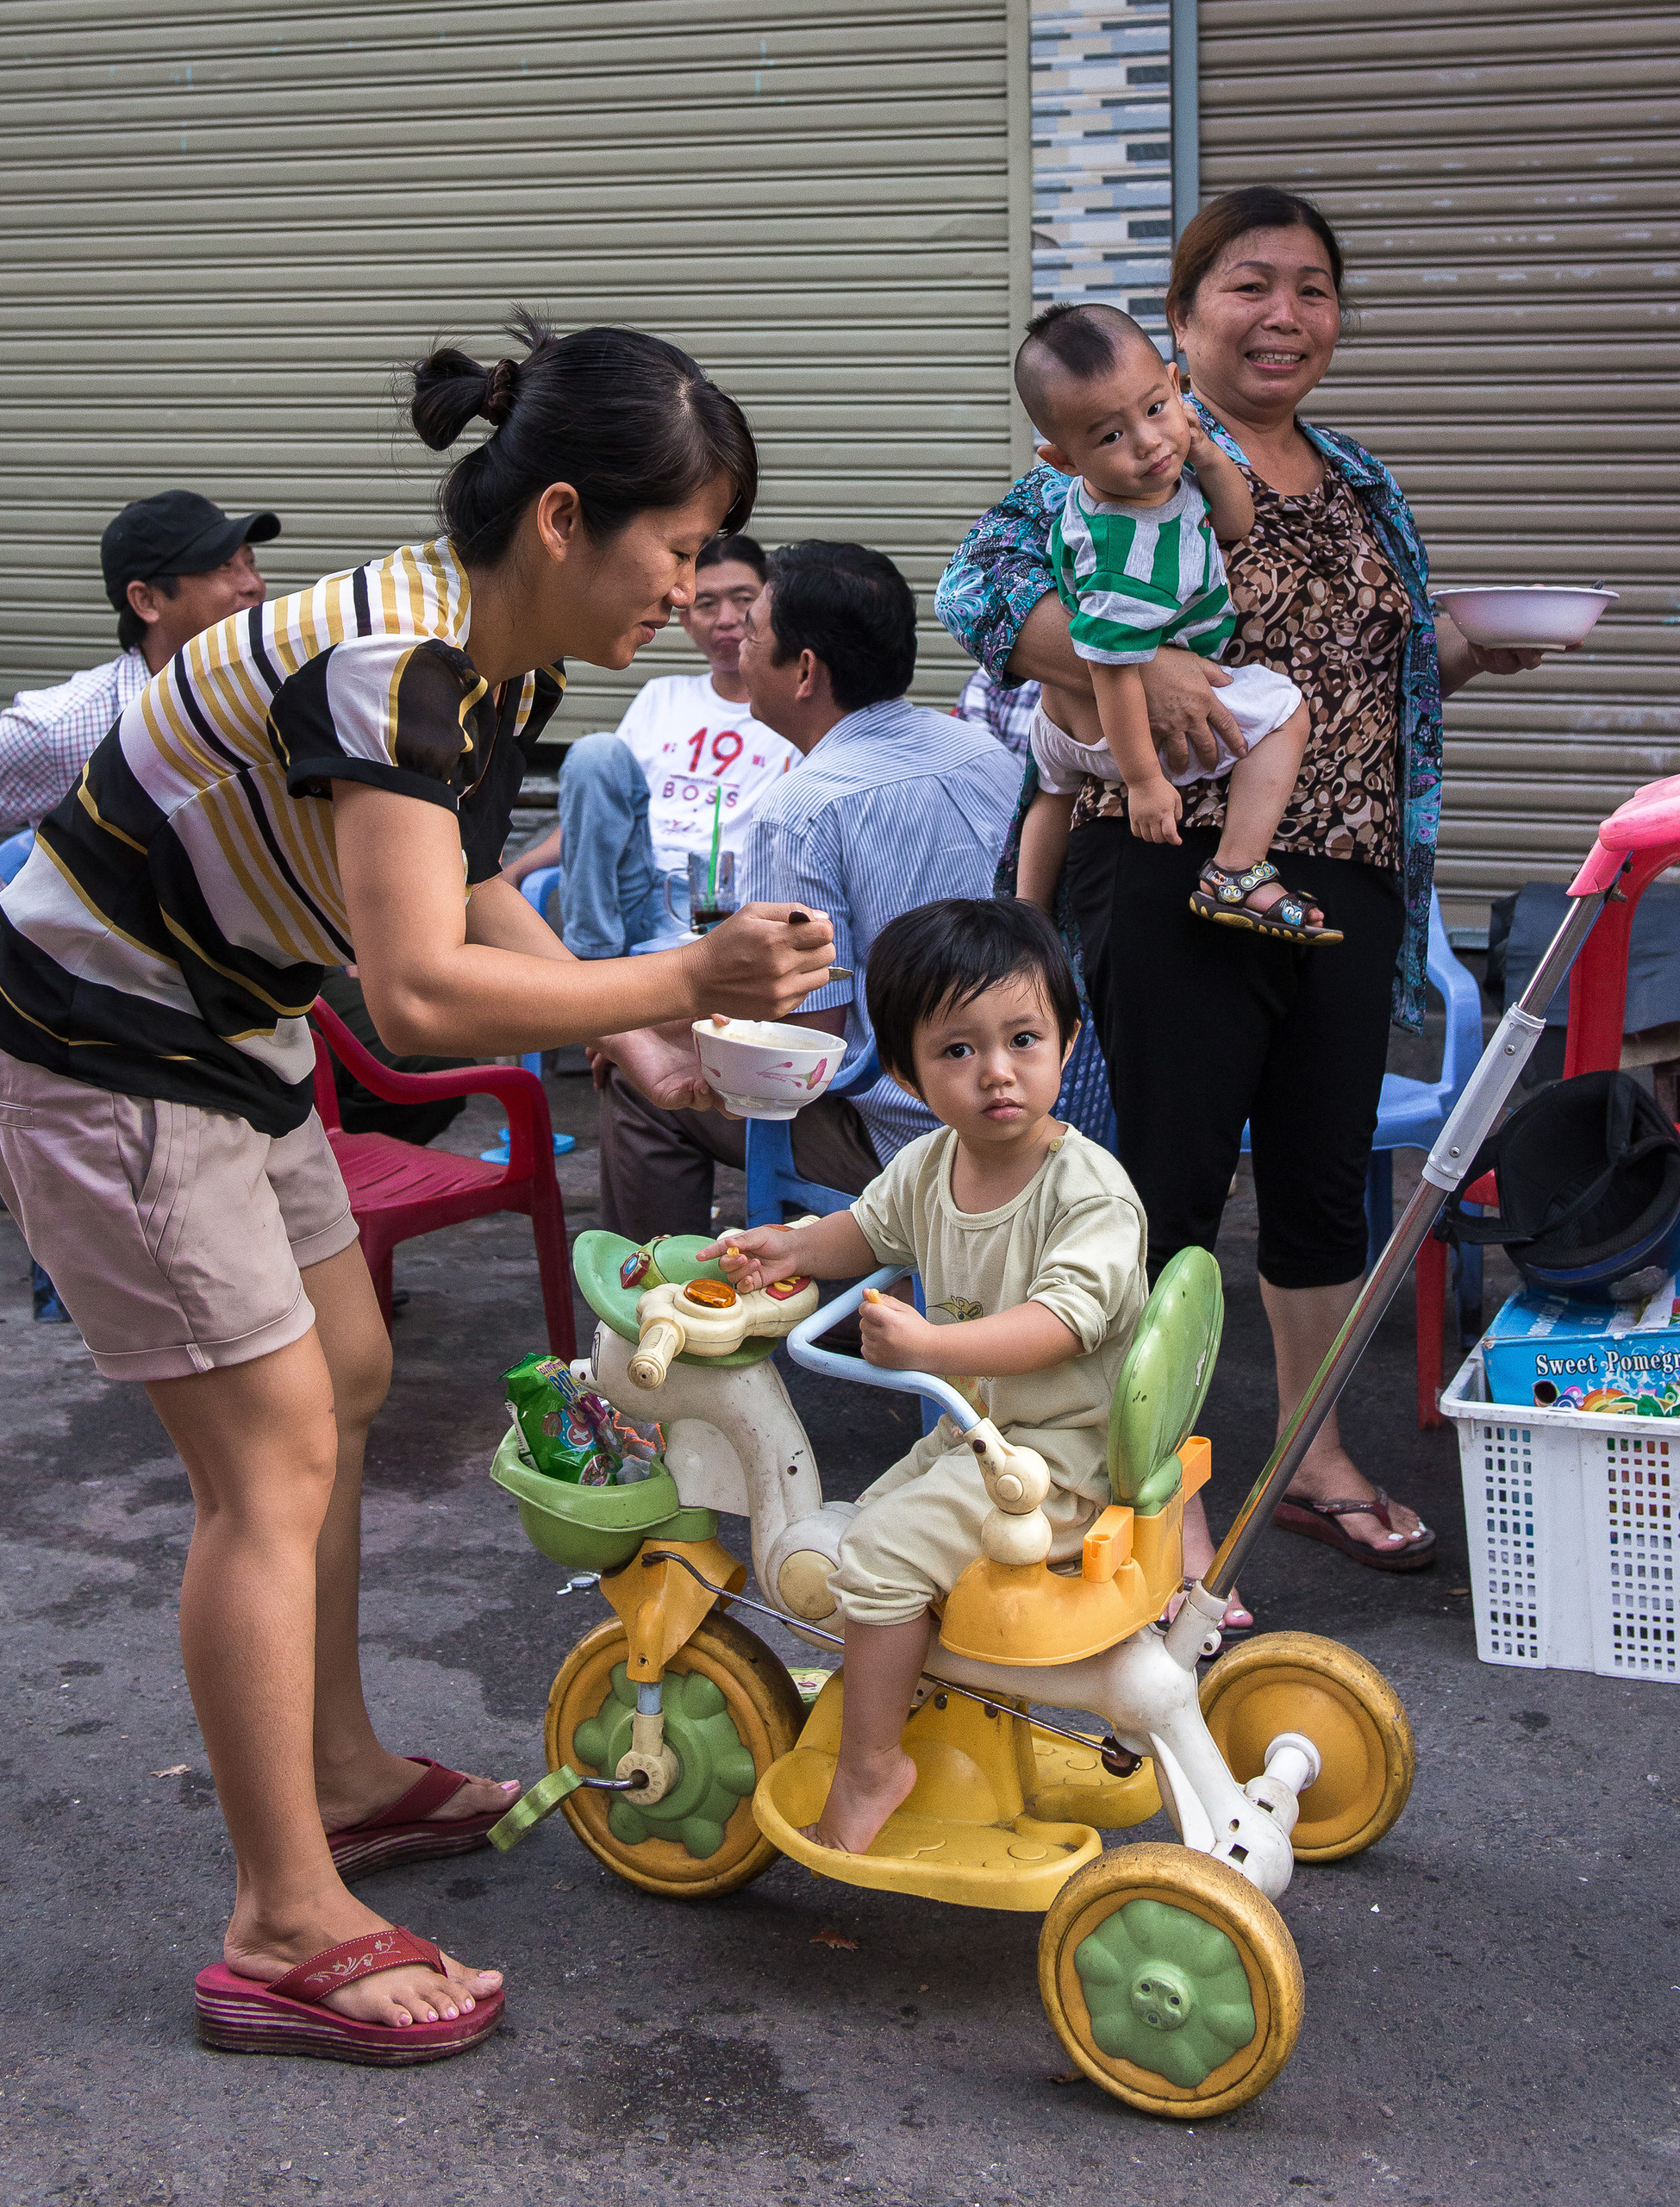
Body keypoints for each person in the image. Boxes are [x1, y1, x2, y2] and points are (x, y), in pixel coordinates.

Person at [0, 315, 834, 2064]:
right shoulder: (395, 663)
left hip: (231, 1031)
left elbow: (464, 893)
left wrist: (648, 1037)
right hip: (105, 1053)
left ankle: (343, 1772)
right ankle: (281, 1922)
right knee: (269, 1459)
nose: (690, 590)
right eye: (677, 549)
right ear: (567, 518)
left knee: (346, 1376)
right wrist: (686, 974)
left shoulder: (493, 660)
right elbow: (421, 995)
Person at [940, 187, 1559, 1576]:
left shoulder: (1360, 481)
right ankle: (1148, 1487)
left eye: (1313, 289)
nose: (1286, 315)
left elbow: (1370, 674)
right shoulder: (1131, 452)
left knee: (1323, 1182)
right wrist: (1142, 664)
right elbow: (976, 595)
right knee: (1162, 1187)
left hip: (1349, 877)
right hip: (1174, 864)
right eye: (1250, 285)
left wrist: (1466, 651)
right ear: (1182, 316)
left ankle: (1313, 1456)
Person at [705, 898, 1146, 1854]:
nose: (996, 1071)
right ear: (906, 1073)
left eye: (1023, 1039)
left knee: (877, 1558)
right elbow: (866, 1231)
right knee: (857, 1535)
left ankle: (873, 1767)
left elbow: (1062, 1322)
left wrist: (932, 1350)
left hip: (1059, 1462)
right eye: (957, 1050)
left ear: (1067, 1043)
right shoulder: (929, 1163)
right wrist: (794, 1246)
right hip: (978, 1441)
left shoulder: (1090, 1193)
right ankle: (931, 1701)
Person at [594, 540, 1025, 1241]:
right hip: (1038, 1105)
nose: (738, 653)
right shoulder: (985, 754)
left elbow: (800, 1047)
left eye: (751, 635)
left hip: (921, 1147)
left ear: (803, 671)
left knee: (639, 1087)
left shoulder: (799, 811)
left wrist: (649, 1032)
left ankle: (665, 1299)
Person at [1010, 304, 1324, 945]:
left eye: (1155, 409)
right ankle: (1235, 871)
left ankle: (1026, 916)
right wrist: (1144, 782)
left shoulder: (1140, 486)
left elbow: (1235, 522)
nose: (1149, 442)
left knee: (1051, 793)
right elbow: (1113, 668)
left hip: (1056, 723)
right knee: (1287, 713)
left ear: (1177, 388)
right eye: (1109, 437)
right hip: (1121, 730)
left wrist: (1204, 453)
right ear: (1062, 459)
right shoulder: (1127, 551)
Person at [0, 491, 278, 943]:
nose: (253, 585)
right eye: (223, 568)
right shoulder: (67, 725)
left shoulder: (277, 693)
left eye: (250, 563)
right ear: (147, 601)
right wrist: (21, 951)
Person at [501, 533, 795, 958]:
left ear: (768, 611)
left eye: (743, 600)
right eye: (707, 604)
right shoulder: (663, 695)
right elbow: (596, 815)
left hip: (717, 902)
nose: (726, 619)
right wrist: (516, 870)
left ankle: (607, 977)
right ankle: (592, 957)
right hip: (631, 883)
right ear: (686, 619)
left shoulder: (789, 712)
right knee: (596, 753)